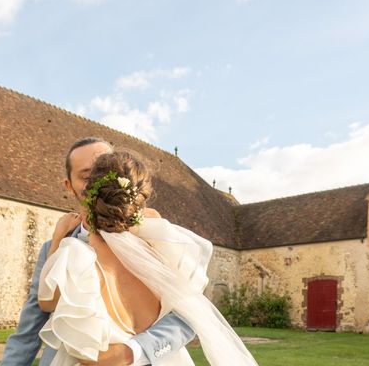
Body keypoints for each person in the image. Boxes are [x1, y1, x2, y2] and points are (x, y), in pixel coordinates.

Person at [37, 150, 259, 366]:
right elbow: (190, 311)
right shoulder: (160, 253)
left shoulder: (76, 259)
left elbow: (46, 302)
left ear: (88, 197)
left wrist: (58, 238)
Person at [0, 138, 196, 366]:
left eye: (102, 172)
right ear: (69, 186)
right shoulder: (57, 248)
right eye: (86, 176)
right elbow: (29, 328)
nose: (98, 183)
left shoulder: (155, 238)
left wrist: (131, 352)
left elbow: (188, 315)